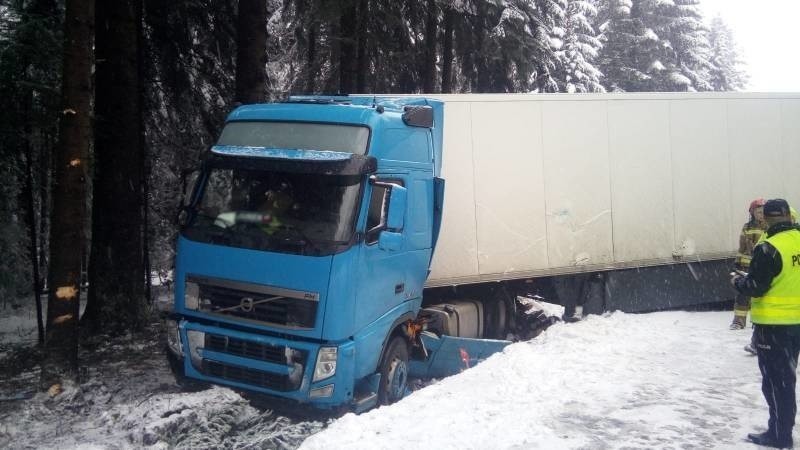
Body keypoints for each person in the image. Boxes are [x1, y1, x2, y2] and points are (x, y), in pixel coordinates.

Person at [731, 198, 800, 449]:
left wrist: (737, 282)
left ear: (767, 219)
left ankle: (780, 435)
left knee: (777, 383)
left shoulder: (769, 248)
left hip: (774, 326)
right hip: (797, 324)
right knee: (786, 379)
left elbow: (756, 288)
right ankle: (781, 431)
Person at [730, 198, 767, 330]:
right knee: (743, 294)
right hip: (747, 267)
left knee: (763, 295)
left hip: (763, 267)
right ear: (752, 213)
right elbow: (742, 248)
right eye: (758, 212)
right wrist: (737, 262)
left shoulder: (770, 228)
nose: (760, 214)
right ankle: (739, 321)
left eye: (763, 212)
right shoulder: (747, 227)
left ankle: (760, 322)